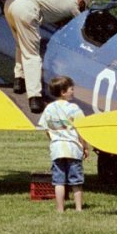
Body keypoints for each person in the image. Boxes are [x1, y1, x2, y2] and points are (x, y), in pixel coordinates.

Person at [4, 0, 90, 113]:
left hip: (10, 4)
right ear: (81, 1)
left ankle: (19, 80)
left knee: (21, 45)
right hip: (25, 9)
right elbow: (81, 23)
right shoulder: (73, 5)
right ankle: (34, 98)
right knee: (32, 55)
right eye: (82, 6)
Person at [37, 75, 88, 213]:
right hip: (73, 148)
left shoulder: (48, 109)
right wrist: (85, 146)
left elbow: (46, 129)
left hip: (57, 149)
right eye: (71, 89)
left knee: (58, 181)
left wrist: (54, 139)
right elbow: (81, 129)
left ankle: (60, 209)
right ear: (63, 92)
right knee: (76, 180)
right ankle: (78, 208)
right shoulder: (74, 108)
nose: (73, 91)